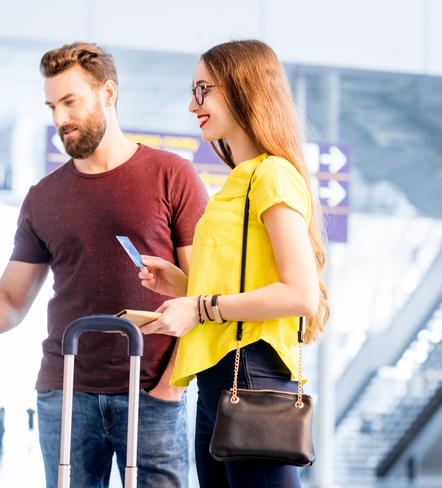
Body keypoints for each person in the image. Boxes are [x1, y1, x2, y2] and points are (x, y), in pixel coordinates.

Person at [0, 42, 207, 487]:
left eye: (70, 102)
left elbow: (202, 293)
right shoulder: (43, 197)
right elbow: (10, 301)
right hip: (65, 391)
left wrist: (170, 388)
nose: (59, 119)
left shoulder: (173, 175)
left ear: (107, 93)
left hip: (150, 392)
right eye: (52, 105)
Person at [138, 40, 329, 487]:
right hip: (222, 377)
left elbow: (299, 294)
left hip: (251, 373)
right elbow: (249, 282)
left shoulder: (272, 175)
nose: (192, 104)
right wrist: (186, 287)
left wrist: (200, 306)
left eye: (203, 90)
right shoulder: (240, 181)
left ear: (242, 88)